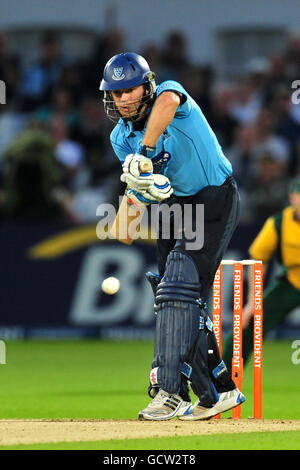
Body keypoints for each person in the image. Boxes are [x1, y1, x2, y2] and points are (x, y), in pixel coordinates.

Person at [99, 52, 245, 421]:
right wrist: (131, 201)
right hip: (174, 206)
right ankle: (219, 392)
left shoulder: (169, 94)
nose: (124, 99)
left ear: (146, 85)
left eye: (130, 89)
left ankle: (170, 392)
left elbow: (165, 103)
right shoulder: (121, 138)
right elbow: (127, 228)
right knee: (174, 297)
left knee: (179, 282)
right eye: (116, 94)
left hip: (213, 196)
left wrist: (145, 155)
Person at [222, 174, 300, 371]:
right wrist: (251, 304)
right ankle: (223, 382)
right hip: (292, 283)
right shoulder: (279, 222)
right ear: (292, 198)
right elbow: (258, 261)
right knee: (247, 324)